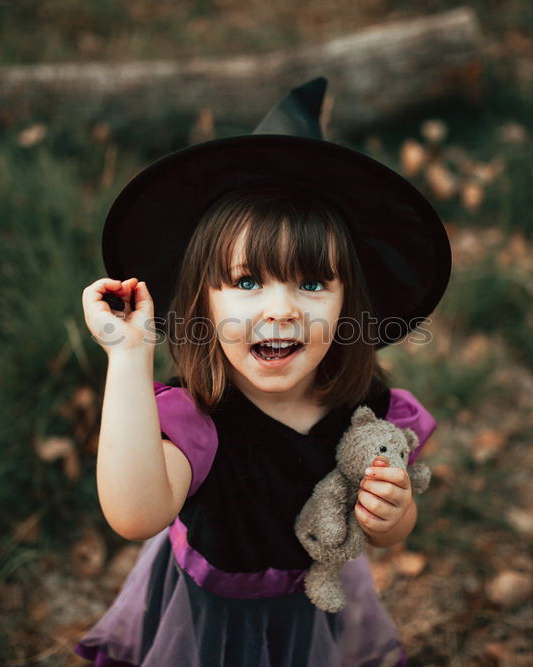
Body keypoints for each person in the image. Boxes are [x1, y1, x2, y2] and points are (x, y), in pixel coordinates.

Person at [77, 78, 451, 666]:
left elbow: (391, 533)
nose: (281, 310)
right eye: (248, 282)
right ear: (203, 302)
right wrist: (128, 357)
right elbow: (135, 516)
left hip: (316, 607)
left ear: (347, 305)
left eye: (311, 283)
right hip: (208, 625)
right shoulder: (197, 416)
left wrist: (393, 513)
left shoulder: (364, 408)